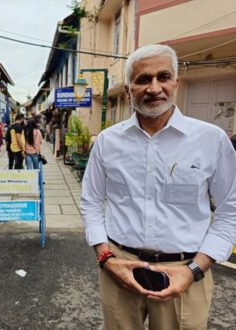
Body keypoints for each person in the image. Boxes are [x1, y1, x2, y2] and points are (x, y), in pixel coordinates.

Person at [81, 44, 236, 330]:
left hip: (186, 270)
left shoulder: (211, 140)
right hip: (120, 267)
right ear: (128, 90)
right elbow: (91, 201)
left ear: (176, 82)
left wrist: (194, 269)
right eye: (143, 80)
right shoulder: (107, 141)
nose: (154, 88)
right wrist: (106, 258)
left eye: (163, 77)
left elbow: (231, 211)